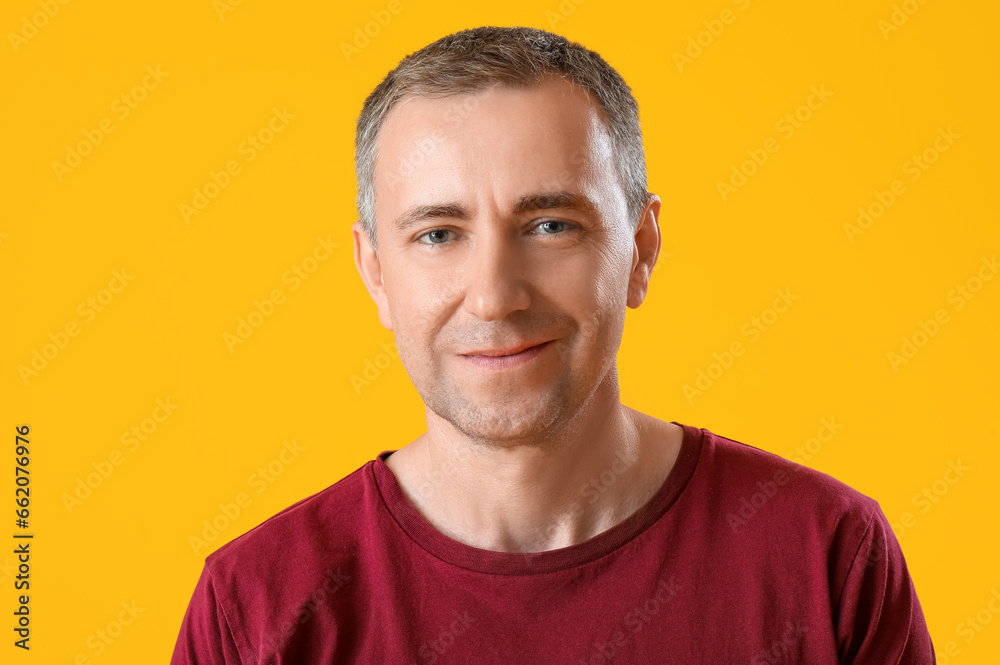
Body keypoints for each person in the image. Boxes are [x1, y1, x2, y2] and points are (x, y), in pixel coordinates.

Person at [171, 26, 935, 663]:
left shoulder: (828, 558)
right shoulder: (256, 608)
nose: (496, 295)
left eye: (550, 226)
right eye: (438, 233)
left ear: (640, 248)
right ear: (375, 272)